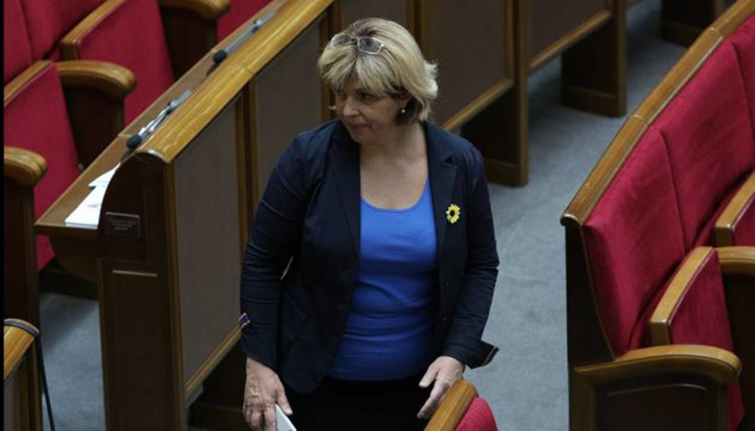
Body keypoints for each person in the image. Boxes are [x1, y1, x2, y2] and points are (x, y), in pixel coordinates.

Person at [240, 17, 499, 431]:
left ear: (404, 95)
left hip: (417, 391)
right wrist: (259, 362)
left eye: (365, 96)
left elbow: (481, 265)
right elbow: (262, 262)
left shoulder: (459, 162)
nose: (347, 109)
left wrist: (458, 353)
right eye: (340, 94)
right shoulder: (309, 157)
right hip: (315, 387)